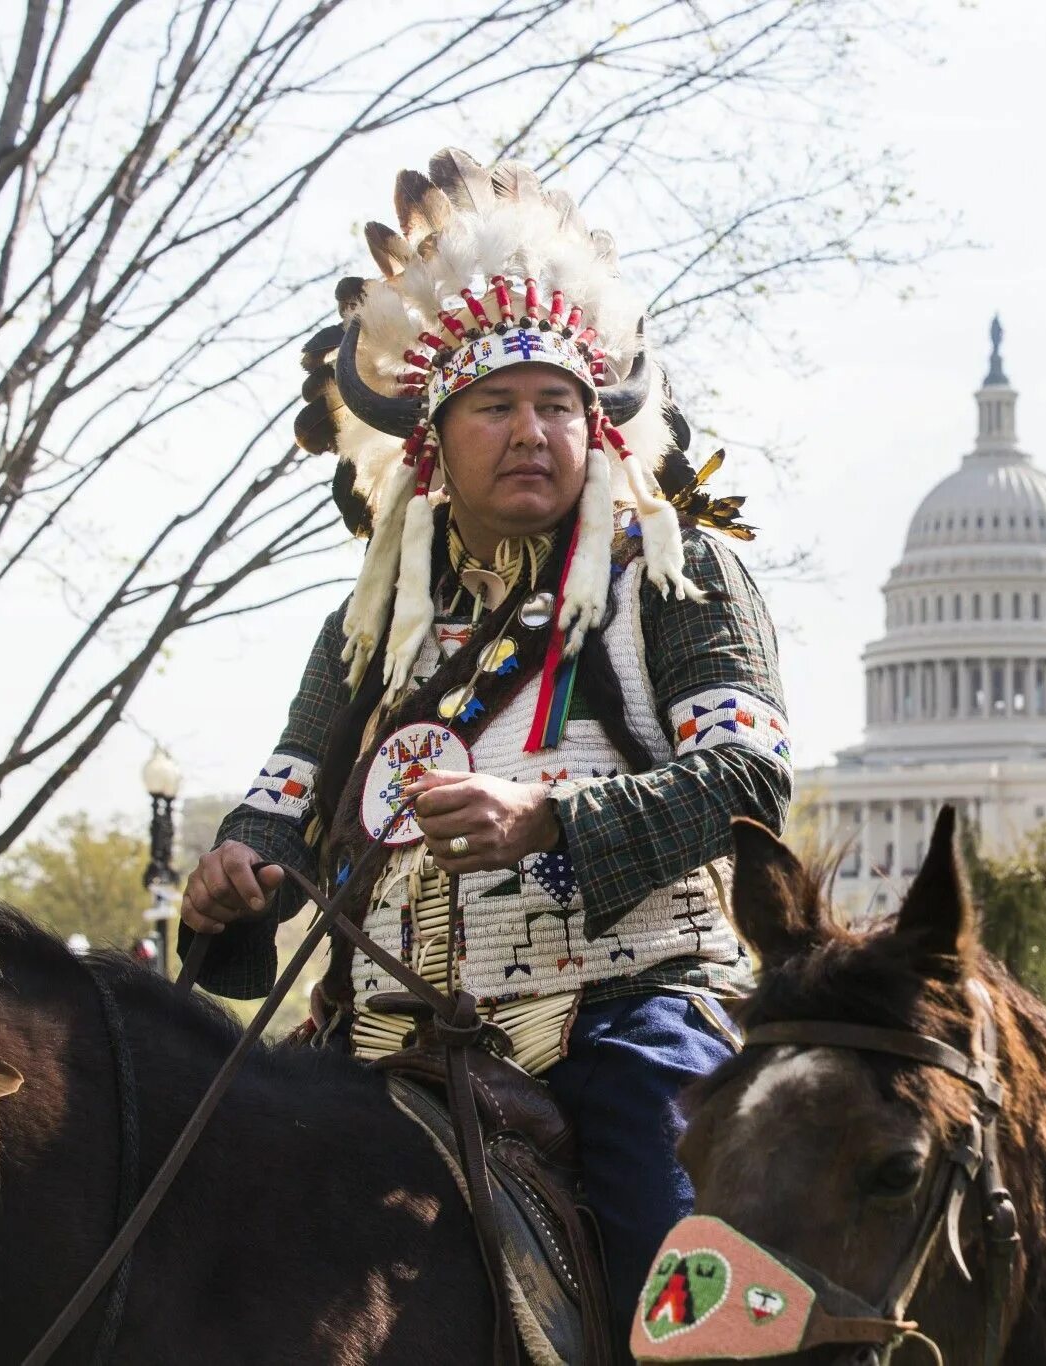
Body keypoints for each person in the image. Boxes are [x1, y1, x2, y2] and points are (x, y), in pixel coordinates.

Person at [176, 148, 790, 1350]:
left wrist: (543, 818)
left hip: (625, 1015)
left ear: (598, 428)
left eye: (557, 404)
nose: (531, 431)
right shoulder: (369, 625)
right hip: (383, 1039)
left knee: (681, 1302)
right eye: (494, 407)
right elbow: (280, 803)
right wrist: (232, 877)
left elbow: (747, 781)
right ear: (431, 445)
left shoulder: (676, 576)